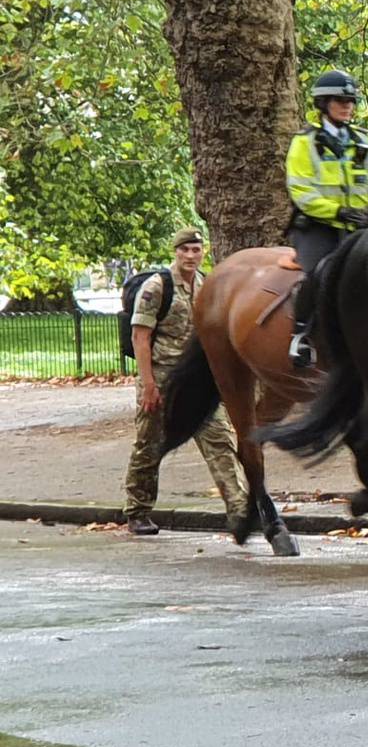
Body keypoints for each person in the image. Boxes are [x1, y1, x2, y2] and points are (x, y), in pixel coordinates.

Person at [124, 228, 245, 536]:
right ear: (175, 252)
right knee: (149, 445)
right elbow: (140, 337)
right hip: (161, 378)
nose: (191, 255)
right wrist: (148, 384)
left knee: (220, 440)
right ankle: (138, 511)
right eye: (185, 250)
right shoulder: (157, 286)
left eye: (196, 249)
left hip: (196, 381)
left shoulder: (206, 284)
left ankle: (239, 510)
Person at [286, 69, 368, 368]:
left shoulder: (366, 143)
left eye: (351, 101)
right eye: (340, 101)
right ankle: (301, 335)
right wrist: (336, 210)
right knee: (318, 273)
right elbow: (300, 189)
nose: (347, 106)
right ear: (324, 104)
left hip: (358, 225)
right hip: (317, 227)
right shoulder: (304, 143)